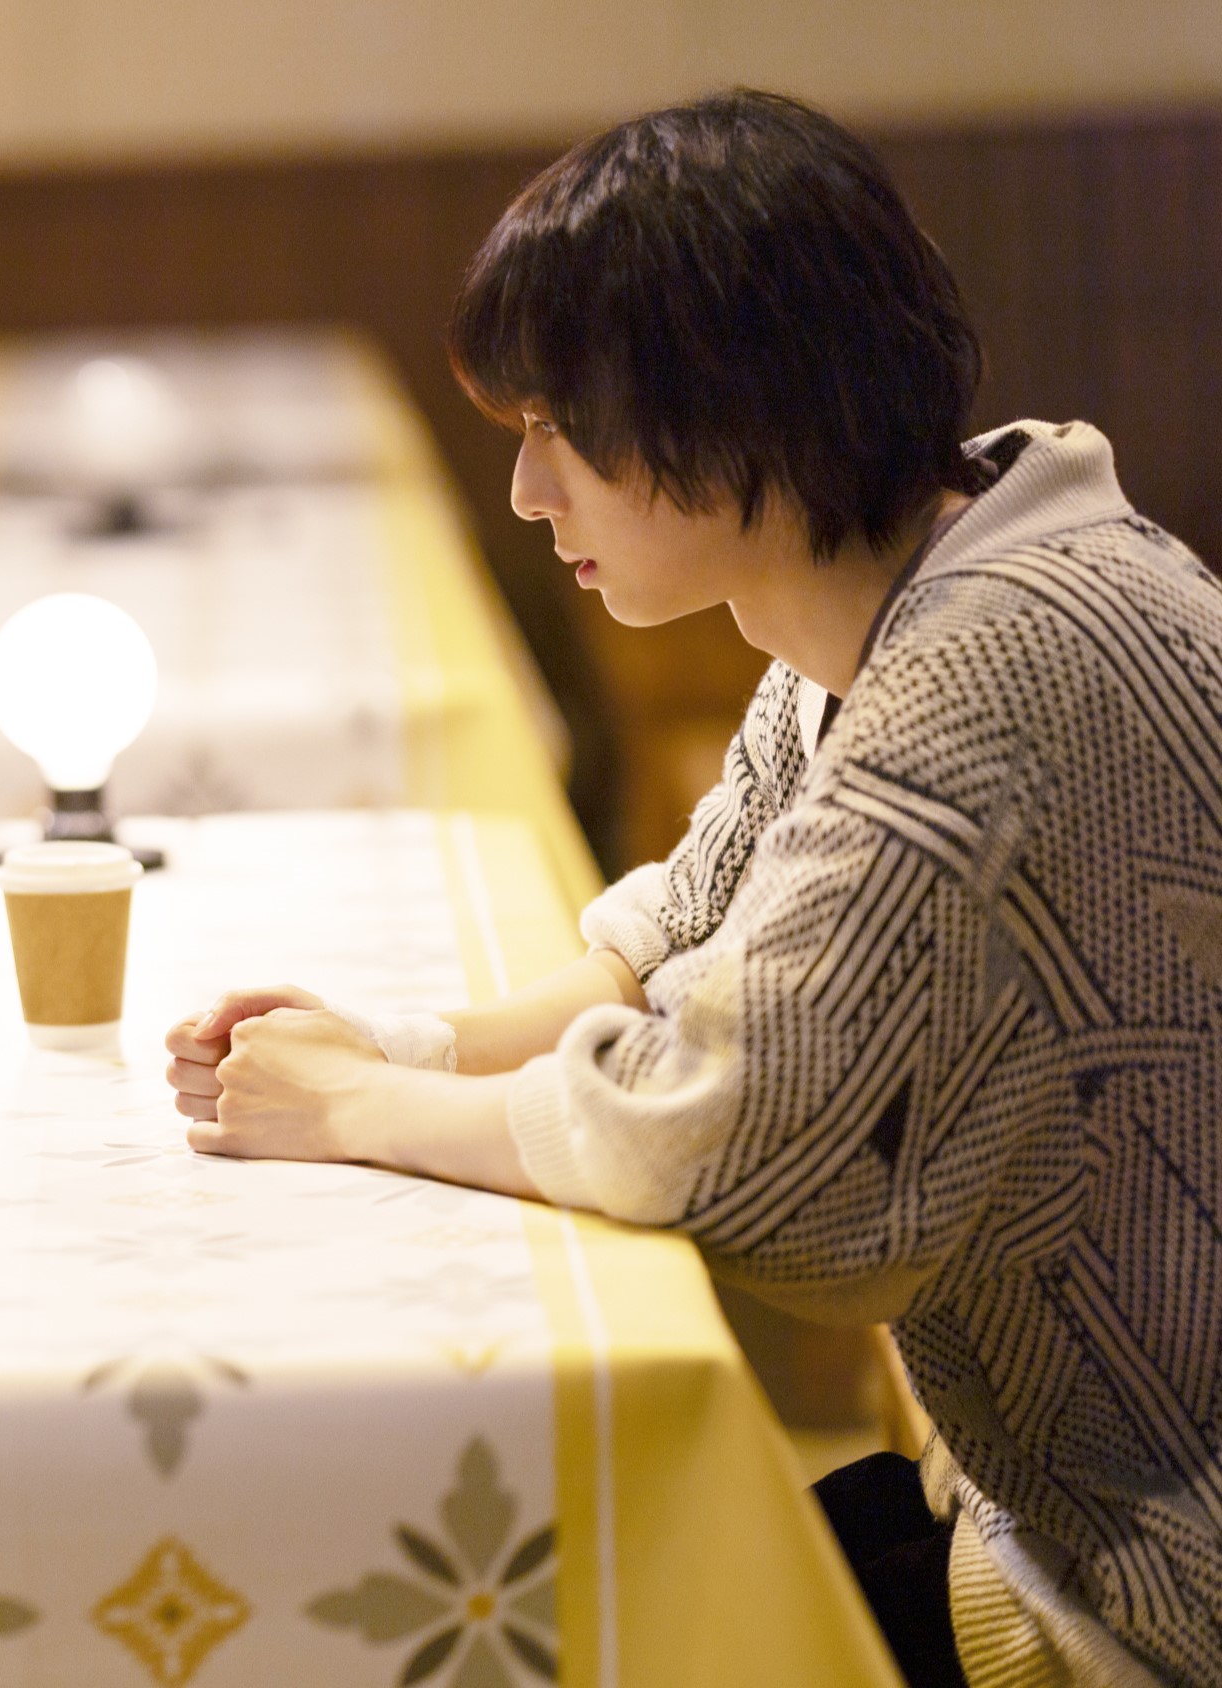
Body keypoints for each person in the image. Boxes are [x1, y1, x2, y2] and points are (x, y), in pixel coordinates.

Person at [165, 90, 1222, 1688]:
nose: (529, 495)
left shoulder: (993, 663)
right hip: (1055, 1512)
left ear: (733, 404)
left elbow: (742, 1144)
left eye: (558, 428)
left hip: (1149, 1594)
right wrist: (399, 1046)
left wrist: (358, 1111)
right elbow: (686, 938)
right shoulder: (911, 589)